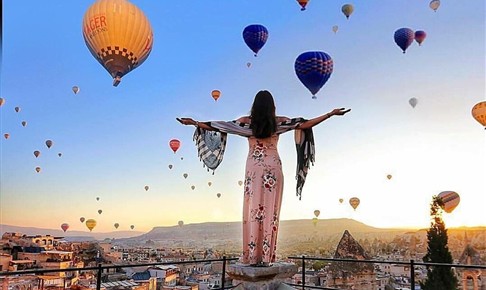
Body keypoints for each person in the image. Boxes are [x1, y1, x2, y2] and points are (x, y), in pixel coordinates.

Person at [178, 90, 350, 266]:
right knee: (270, 212)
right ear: (272, 106)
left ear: (254, 106)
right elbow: (304, 124)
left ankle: (252, 256)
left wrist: (194, 123)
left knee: (252, 210)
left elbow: (218, 126)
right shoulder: (279, 123)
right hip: (274, 169)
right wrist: (330, 114)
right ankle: (267, 257)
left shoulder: (246, 123)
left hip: (254, 169)